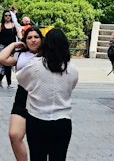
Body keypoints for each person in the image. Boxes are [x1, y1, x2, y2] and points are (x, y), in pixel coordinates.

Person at [16, 27, 78, 161]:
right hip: (63, 120)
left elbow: (21, 80)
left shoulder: (35, 66)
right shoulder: (72, 69)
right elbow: (71, 87)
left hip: (37, 119)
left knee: (37, 157)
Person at [0, 22, 43, 160]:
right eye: (29, 37)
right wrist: (14, 45)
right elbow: (1, 58)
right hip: (23, 94)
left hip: (41, 96)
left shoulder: (47, 55)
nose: (33, 40)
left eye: (36, 37)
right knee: (14, 135)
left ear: (41, 39)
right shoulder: (20, 55)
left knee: (38, 139)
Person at [0, 9, 19, 87]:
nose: (8, 17)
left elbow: (19, 36)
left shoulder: (14, 25)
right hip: (2, 47)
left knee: (8, 65)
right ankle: (9, 83)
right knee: (6, 66)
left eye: (9, 15)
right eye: (6, 15)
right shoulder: (0, 26)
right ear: (3, 16)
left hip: (12, 47)